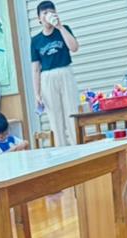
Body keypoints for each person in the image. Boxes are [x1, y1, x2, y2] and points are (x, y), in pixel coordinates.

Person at [31, 1, 80, 147]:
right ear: (39, 18)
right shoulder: (35, 41)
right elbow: (35, 68)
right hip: (47, 77)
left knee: (72, 111)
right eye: (45, 13)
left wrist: (60, 27)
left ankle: (78, 147)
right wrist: (37, 93)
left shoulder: (64, 30)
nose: (48, 15)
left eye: (51, 12)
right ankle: (61, 149)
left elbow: (74, 47)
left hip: (65, 72)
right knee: (55, 117)